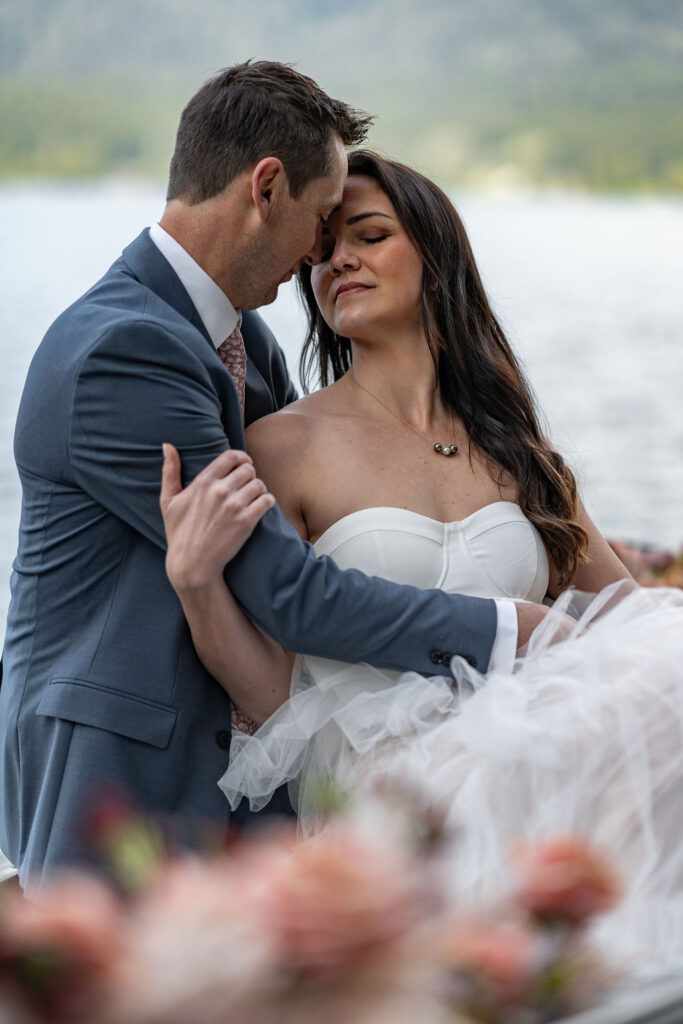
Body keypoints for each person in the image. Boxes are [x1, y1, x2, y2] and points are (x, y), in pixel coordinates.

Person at [0, 65, 548, 890]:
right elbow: (286, 588)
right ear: (266, 188)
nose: (318, 256)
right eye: (322, 220)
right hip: (118, 770)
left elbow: (324, 519)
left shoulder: (245, 345)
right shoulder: (122, 348)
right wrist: (505, 630)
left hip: (258, 778)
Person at [161, 151, 683, 976]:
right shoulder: (282, 445)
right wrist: (195, 583)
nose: (339, 260)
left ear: (435, 260)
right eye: (325, 248)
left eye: (369, 236)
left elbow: (623, 614)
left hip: (536, 738)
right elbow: (273, 692)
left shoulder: (515, 448)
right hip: (392, 782)